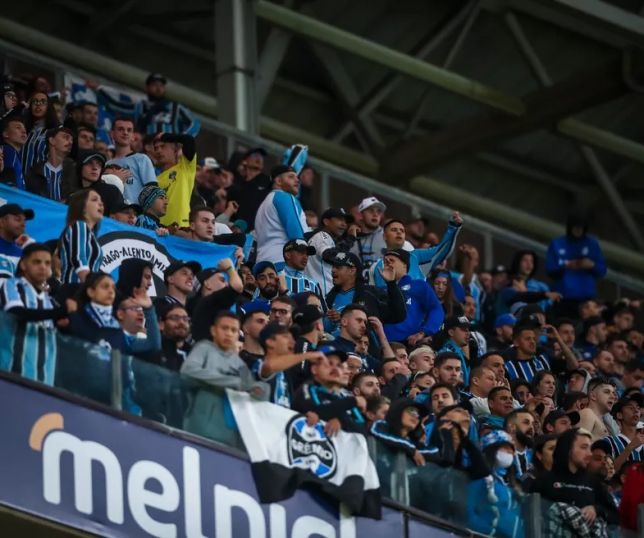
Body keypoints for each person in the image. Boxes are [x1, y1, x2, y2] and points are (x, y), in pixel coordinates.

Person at [0, 244, 74, 384]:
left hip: (44, 383)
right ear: (23, 264)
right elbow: (17, 312)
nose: (43, 267)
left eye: (47, 263)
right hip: (10, 377)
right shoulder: (13, 286)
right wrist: (61, 311)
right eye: (36, 262)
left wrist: (64, 324)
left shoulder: (50, 302)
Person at [533, 428, 618, 534]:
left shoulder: (593, 482)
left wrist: (596, 509)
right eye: (584, 447)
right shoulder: (543, 481)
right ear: (567, 449)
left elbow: (615, 515)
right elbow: (530, 516)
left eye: (590, 449)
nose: (589, 454)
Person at [181, 311, 268, 397]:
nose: (229, 334)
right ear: (213, 330)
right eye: (224, 328)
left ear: (238, 335)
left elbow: (251, 386)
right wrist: (233, 382)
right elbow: (188, 371)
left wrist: (259, 390)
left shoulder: (238, 361)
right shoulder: (204, 348)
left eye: (233, 330)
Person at [369, 212, 462, 288]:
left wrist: (452, 228)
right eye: (394, 229)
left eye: (402, 230)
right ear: (384, 236)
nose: (398, 232)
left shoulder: (417, 256)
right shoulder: (376, 266)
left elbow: (442, 250)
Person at [324, 250, 406, 332]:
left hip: (363, 344)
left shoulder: (370, 294)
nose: (333, 270)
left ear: (352, 270)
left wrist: (391, 284)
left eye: (338, 267)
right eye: (333, 266)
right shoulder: (329, 297)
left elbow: (398, 315)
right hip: (331, 343)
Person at [292, 346, 367, 435]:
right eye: (329, 364)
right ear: (314, 369)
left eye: (339, 365)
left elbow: (362, 429)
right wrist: (353, 401)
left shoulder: (340, 398)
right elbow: (313, 411)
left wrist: (340, 421)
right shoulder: (307, 388)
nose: (335, 369)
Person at [546, 214, 607, 318]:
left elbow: (602, 270)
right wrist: (567, 265)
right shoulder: (557, 243)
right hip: (563, 297)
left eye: (581, 228)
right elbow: (550, 269)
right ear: (570, 227)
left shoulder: (592, 244)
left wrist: (591, 265)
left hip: (586, 299)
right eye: (576, 227)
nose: (578, 230)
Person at [467, 430, 524, 538]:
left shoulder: (511, 486)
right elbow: (468, 511)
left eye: (511, 450)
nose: (509, 453)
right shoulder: (480, 479)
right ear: (491, 449)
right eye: (504, 448)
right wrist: (489, 532)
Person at [381, 248, 444, 346]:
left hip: (408, 345)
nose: (388, 263)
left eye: (392, 260)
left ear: (404, 265)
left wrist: (423, 332)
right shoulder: (381, 290)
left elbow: (436, 309)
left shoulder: (419, 285)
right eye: (385, 261)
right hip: (382, 345)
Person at [254, 165, 309, 267]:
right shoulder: (284, 197)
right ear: (278, 181)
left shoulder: (265, 203)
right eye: (291, 177)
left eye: (297, 177)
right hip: (283, 263)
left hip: (262, 263)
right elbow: (296, 234)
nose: (297, 180)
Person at [305, 207, 357, 298]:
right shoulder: (322, 236)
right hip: (321, 293)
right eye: (340, 220)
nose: (344, 224)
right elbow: (329, 255)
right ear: (326, 222)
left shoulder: (325, 238)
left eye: (345, 222)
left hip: (318, 292)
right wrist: (350, 239)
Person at [106, 117, 157, 204]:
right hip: (114, 214)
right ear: (112, 134)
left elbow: (152, 190)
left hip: (136, 214)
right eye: (120, 129)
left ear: (133, 136)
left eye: (129, 130)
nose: (125, 133)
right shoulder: (107, 164)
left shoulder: (142, 159)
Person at [189, 259, 243, 341]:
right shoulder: (209, 303)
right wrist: (229, 268)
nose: (227, 284)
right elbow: (237, 287)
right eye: (222, 280)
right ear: (207, 284)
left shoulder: (194, 304)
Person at [59, 189, 104, 284]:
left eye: (101, 201)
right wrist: (91, 287)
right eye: (94, 200)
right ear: (82, 207)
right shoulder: (79, 225)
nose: (100, 204)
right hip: (74, 290)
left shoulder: (91, 235)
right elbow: (79, 258)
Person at [371, 398, 433, 466]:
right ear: (399, 410)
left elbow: (434, 452)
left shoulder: (413, 443)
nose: (415, 416)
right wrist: (411, 450)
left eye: (418, 415)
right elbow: (375, 432)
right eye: (411, 411)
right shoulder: (381, 425)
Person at [134, 73, 200, 136]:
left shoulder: (176, 106)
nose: (158, 88)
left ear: (165, 88)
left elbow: (195, 123)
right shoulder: (141, 106)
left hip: (171, 146)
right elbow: (137, 125)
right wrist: (151, 111)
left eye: (161, 85)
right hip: (149, 146)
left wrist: (184, 137)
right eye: (154, 85)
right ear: (147, 88)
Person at [154, 132, 196, 228]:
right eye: (156, 148)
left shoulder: (185, 167)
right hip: (160, 229)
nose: (158, 151)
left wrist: (169, 137)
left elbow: (189, 140)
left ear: (175, 151)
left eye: (163, 146)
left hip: (181, 227)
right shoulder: (154, 180)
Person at [25, 125, 78, 202]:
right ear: (52, 140)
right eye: (66, 137)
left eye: (71, 140)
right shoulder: (34, 172)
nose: (70, 142)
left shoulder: (74, 171)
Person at [75, 151, 124, 216]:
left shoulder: (111, 192)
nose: (95, 168)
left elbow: (118, 220)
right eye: (89, 163)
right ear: (80, 167)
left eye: (99, 164)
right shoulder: (70, 192)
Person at [603, 393, 643, 471]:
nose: (636, 410)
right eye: (631, 408)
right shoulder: (609, 441)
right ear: (619, 415)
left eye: (638, 408)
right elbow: (609, 472)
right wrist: (630, 448)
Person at [439, 315, 474, 386]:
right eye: (464, 330)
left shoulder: (458, 351)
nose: (468, 333)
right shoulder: (446, 353)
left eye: (468, 330)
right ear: (451, 332)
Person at [355, 196, 387, 272]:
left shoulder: (388, 236)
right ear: (361, 215)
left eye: (379, 211)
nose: (375, 214)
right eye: (371, 211)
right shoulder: (352, 238)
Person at [1, 115, 27, 189]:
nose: (24, 131)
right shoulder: (7, 150)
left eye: (24, 128)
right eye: (18, 128)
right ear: (6, 134)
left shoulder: (15, 154)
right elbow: (9, 184)